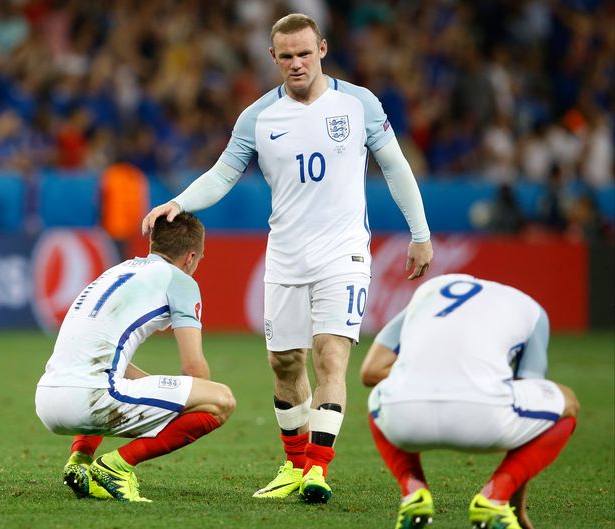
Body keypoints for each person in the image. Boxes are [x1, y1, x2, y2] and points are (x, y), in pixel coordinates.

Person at [142, 13, 433, 503]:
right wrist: (180, 202)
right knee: (284, 363)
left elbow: (396, 166)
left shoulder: (358, 104)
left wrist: (419, 234)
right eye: (286, 56)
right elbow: (222, 174)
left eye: (304, 53)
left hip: (343, 254)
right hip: (285, 255)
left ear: (321, 49)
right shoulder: (258, 116)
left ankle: (317, 469)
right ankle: (295, 466)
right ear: (272, 58)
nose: (296, 63)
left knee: (330, 356)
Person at [35, 212, 236, 503]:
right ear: (191, 257)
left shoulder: (116, 271)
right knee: (221, 400)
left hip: (47, 401)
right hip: (90, 399)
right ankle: (116, 467)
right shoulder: (179, 280)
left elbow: (95, 352)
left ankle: (80, 460)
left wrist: (157, 386)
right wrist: (190, 402)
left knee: (113, 377)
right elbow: (194, 369)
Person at [361, 274, 579, 529]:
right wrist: (517, 511)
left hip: (405, 421)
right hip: (484, 422)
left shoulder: (429, 292)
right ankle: (496, 496)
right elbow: (528, 388)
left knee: (380, 396)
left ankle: (413, 490)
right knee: (568, 402)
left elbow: (370, 371)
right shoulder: (532, 310)